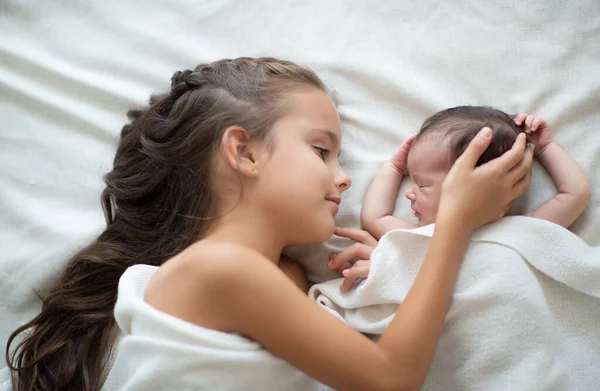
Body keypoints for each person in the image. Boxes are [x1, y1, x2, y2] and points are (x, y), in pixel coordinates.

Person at [6, 58, 533, 391]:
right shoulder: (218, 269)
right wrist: (457, 221)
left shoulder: (286, 277)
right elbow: (392, 380)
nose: (344, 178)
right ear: (244, 152)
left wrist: (395, 267)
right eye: (322, 150)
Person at [361, 106, 591, 239]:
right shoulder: (426, 236)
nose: (409, 194)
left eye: (421, 185)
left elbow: (577, 193)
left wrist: (544, 147)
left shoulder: (520, 230)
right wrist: (393, 168)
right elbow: (374, 218)